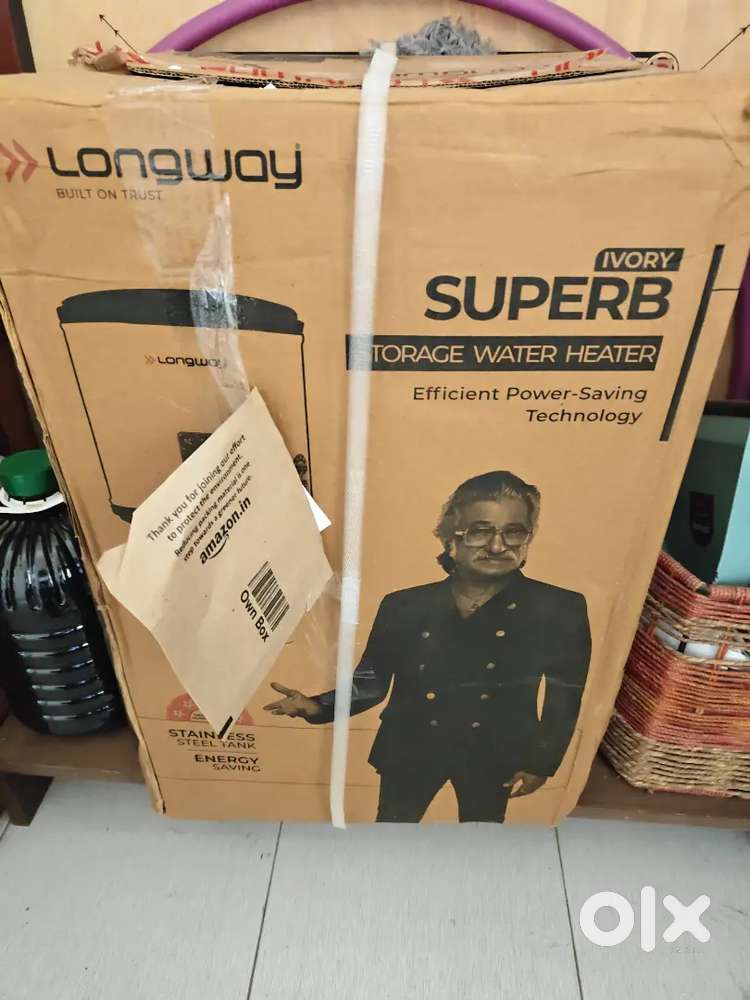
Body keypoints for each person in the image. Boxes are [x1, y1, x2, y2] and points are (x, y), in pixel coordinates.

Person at [264, 470, 591, 823]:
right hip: (412, 745)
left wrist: (540, 761)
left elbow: (564, 697)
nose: (498, 547)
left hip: (493, 751)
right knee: (393, 829)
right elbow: (371, 683)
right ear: (451, 538)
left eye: (513, 532)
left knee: (481, 837)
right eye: (480, 531)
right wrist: (316, 706)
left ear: (528, 537)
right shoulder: (404, 606)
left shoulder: (559, 608)